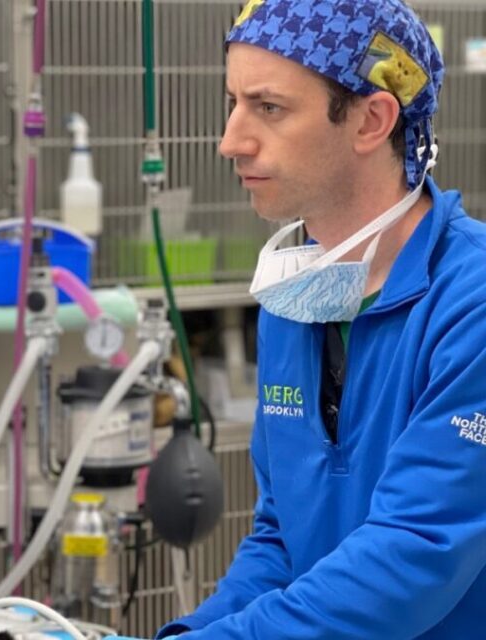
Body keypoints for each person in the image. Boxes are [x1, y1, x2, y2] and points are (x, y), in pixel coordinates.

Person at [156, 1, 486, 638]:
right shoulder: (299, 294)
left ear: (372, 119)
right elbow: (283, 543)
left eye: (269, 108)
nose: (231, 140)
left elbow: (415, 553)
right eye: (233, 102)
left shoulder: (469, 304)